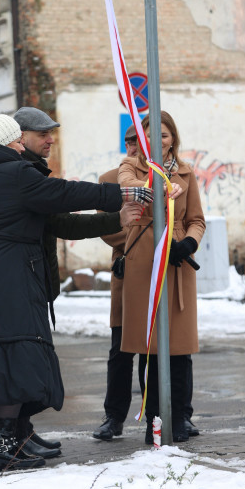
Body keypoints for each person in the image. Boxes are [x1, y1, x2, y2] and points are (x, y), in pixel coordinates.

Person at [0, 113, 152, 472]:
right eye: (17, 140)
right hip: (6, 274)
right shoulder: (14, 173)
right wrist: (122, 194)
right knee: (13, 354)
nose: (19, 146)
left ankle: (10, 440)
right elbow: (65, 193)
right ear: (7, 143)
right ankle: (4, 445)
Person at [13, 107, 142, 454]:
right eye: (43, 134)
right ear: (20, 137)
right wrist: (120, 206)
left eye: (50, 133)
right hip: (21, 282)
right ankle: (15, 435)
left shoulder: (30, 172)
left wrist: (116, 217)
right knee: (23, 363)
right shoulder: (24, 176)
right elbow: (69, 203)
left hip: (34, 282)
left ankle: (22, 430)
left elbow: (62, 223)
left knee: (32, 362)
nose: (50, 140)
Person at [118, 111, 206, 444]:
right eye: (151, 135)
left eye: (165, 136)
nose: (158, 141)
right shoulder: (132, 167)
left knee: (179, 347)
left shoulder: (187, 172)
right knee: (150, 346)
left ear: (174, 139)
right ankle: (153, 418)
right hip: (144, 260)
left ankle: (180, 416)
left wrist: (189, 242)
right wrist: (161, 183)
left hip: (178, 262)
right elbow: (128, 188)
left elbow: (197, 218)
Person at [93, 124, 139, 441]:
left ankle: (172, 415)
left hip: (160, 273)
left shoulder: (167, 178)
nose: (133, 147)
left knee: (168, 350)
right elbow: (107, 229)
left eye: (140, 142)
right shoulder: (110, 180)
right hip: (127, 269)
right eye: (129, 142)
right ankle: (114, 417)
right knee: (120, 350)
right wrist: (144, 240)